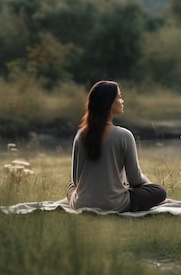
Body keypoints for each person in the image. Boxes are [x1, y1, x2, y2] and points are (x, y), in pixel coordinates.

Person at [66, 80, 167, 212]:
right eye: (119, 97)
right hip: (115, 204)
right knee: (159, 192)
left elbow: (76, 180)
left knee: (70, 187)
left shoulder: (80, 135)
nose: (122, 101)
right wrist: (148, 185)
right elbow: (135, 179)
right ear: (109, 104)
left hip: (81, 203)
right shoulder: (124, 135)